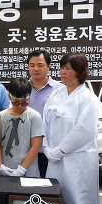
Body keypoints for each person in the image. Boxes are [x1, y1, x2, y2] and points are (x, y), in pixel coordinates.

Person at [42, 52, 102, 204]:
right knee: (56, 201)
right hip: (54, 159)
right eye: (62, 68)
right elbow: (45, 121)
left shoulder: (87, 98)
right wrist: (47, 147)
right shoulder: (56, 94)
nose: (63, 72)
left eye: (68, 68)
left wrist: (62, 149)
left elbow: (84, 130)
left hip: (78, 160)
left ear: (79, 72)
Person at [0, 78, 43, 177]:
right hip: (6, 168)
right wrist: (0, 166)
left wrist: (22, 168)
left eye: (24, 102)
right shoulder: (1, 116)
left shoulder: (34, 116)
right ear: (9, 97)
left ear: (29, 98)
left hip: (29, 171)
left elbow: (36, 145)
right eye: (16, 102)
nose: (20, 106)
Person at [28, 50, 63, 178]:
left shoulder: (60, 90)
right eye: (32, 65)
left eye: (40, 65)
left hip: (50, 148)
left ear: (48, 66)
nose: (36, 69)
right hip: (26, 148)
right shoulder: (22, 87)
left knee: (49, 184)